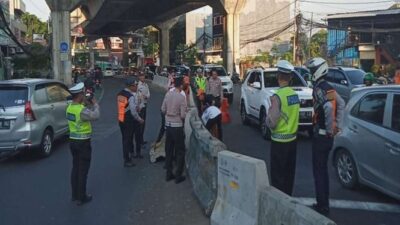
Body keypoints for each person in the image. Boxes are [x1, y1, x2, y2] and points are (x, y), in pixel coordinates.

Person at [306, 57, 345, 215]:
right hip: (327, 138)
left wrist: (330, 128)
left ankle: (322, 205)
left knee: (319, 171)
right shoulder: (329, 88)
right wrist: (338, 126)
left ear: (318, 71)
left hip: (321, 136)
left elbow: (328, 108)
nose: (310, 73)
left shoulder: (319, 88)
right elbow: (341, 104)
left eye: (312, 70)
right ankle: (324, 202)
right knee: (323, 171)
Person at [265, 60, 299, 196]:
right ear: (290, 78)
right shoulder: (294, 95)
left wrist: (267, 117)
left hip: (279, 143)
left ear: (278, 76)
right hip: (293, 141)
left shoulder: (277, 97)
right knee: (289, 175)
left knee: (278, 177)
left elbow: (271, 122)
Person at [66, 82, 100, 206]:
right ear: (80, 95)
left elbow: (81, 110)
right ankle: (82, 197)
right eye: (83, 94)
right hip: (83, 143)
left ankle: (74, 195)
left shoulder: (70, 107)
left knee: (75, 168)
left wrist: (85, 102)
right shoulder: (81, 110)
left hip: (72, 141)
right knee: (83, 170)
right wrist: (95, 103)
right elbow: (95, 116)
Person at [161, 77, 187, 184]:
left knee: (169, 149)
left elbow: (162, 109)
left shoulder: (168, 94)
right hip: (177, 126)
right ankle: (178, 176)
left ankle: (168, 174)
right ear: (180, 86)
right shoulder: (182, 98)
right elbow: (183, 115)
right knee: (180, 151)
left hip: (168, 125)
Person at [117, 78, 144, 166]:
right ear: (131, 86)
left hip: (121, 118)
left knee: (124, 139)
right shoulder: (130, 96)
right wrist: (140, 119)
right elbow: (133, 112)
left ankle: (128, 156)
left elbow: (122, 107)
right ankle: (127, 160)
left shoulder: (120, 94)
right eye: (135, 85)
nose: (136, 87)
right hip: (128, 120)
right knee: (127, 139)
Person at [138, 73, 151, 148]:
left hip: (145, 103)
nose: (143, 78)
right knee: (140, 123)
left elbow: (148, 93)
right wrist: (143, 96)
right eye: (141, 77)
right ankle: (139, 141)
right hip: (140, 105)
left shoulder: (146, 85)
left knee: (143, 123)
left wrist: (147, 96)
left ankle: (141, 139)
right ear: (139, 77)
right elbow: (138, 94)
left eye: (143, 76)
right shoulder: (138, 85)